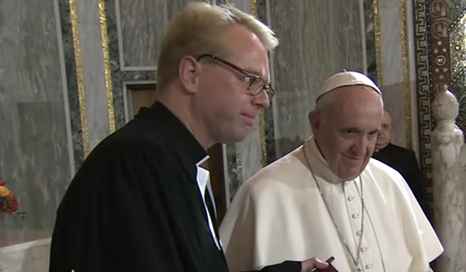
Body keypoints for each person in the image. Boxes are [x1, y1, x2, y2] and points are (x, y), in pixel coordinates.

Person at [48, 3, 328, 272]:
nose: (264, 100)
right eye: (251, 80)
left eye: (265, 86)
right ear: (191, 74)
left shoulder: (170, 160)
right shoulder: (136, 162)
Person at [219, 71, 443, 272]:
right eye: (349, 132)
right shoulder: (262, 194)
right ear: (316, 124)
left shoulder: (391, 182)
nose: (361, 149)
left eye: (372, 134)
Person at [372, 109, 429, 216]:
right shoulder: (358, 155)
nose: (380, 131)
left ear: (391, 128)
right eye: (376, 127)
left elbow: (418, 196)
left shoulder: (406, 156)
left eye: (385, 126)